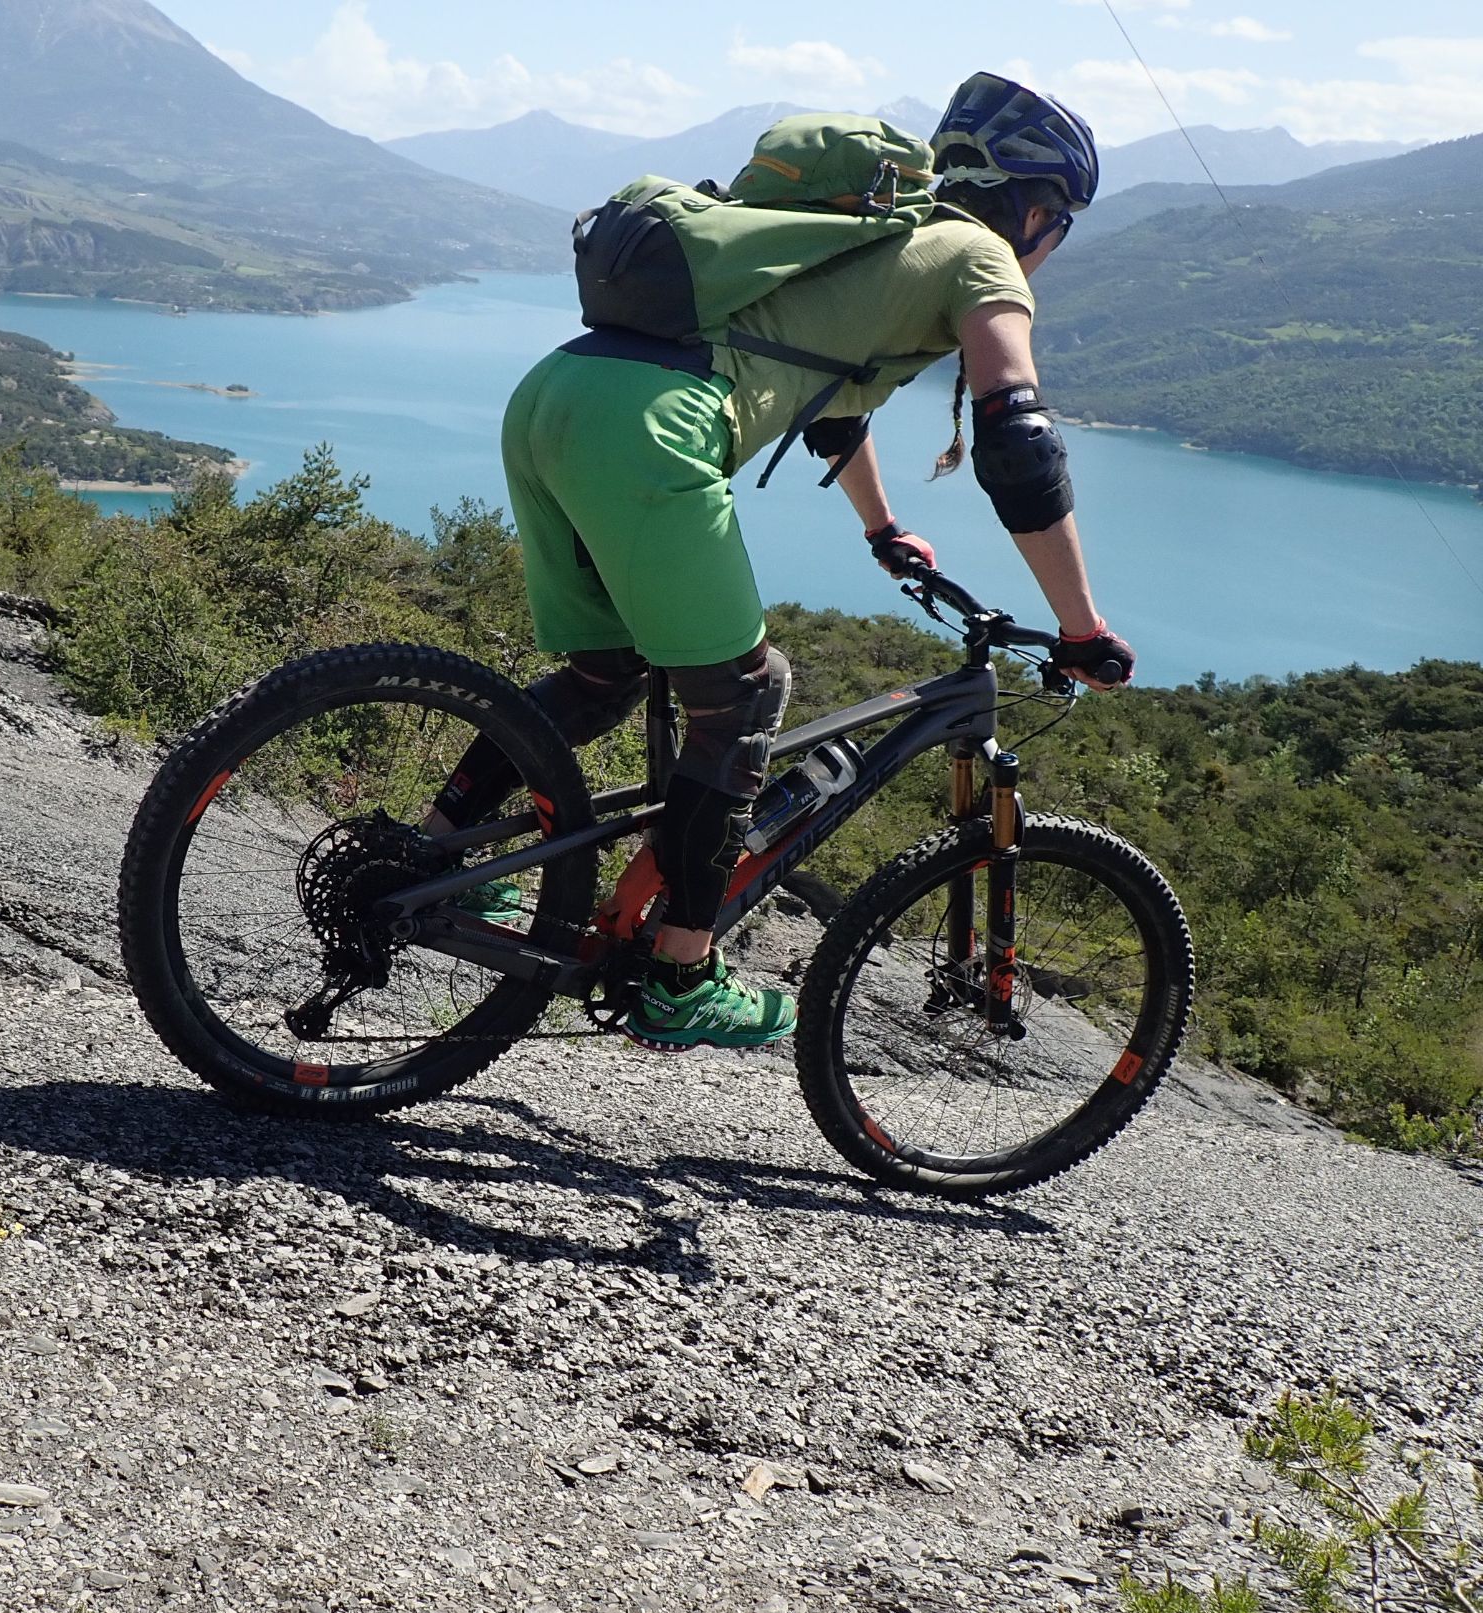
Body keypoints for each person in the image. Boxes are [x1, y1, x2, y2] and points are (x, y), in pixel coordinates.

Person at [424, 71, 1136, 1052]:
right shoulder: (980, 258)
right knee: (748, 697)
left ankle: (439, 849)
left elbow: (831, 406)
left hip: (558, 395)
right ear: (1039, 211)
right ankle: (679, 973)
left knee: (604, 673)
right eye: (1061, 224)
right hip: (652, 432)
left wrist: (882, 528)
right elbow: (1018, 438)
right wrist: (1081, 626)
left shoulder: (869, 232)